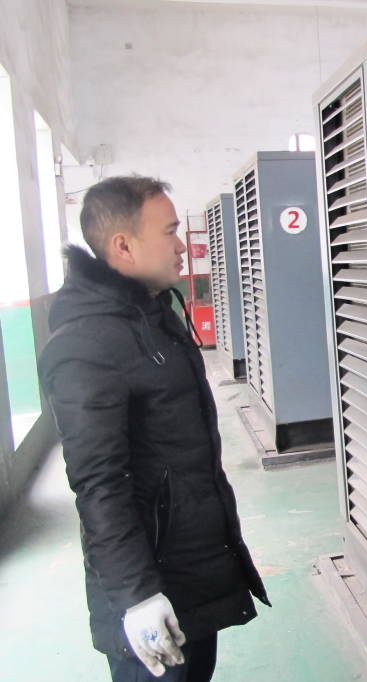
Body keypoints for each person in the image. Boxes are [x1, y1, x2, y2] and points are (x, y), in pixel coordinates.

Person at [38, 175, 270, 681]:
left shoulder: (152, 315)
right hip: (149, 594)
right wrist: (136, 596)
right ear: (123, 245)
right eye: (168, 231)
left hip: (191, 572)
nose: (181, 245)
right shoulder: (86, 345)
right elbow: (99, 484)